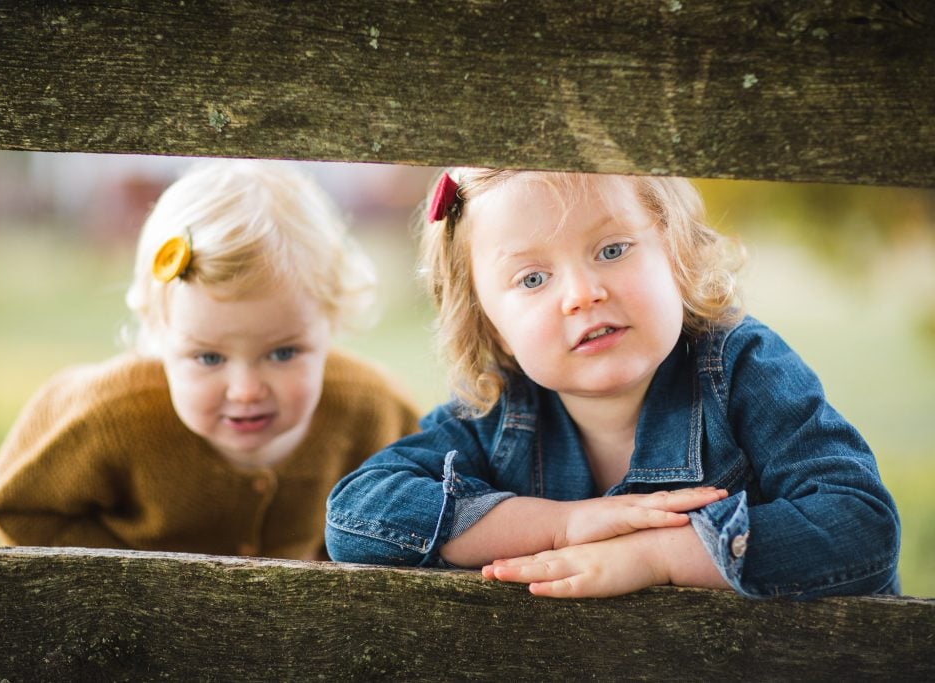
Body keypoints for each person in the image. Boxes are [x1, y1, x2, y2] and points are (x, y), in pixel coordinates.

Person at [325, 168, 900, 599]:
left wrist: (661, 554)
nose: (581, 293)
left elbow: (860, 526)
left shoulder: (739, 367)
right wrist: (560, 526)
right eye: (532, 278)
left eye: (612, 249)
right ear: (491, 327)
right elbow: (355, 518)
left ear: (675, 253)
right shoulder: (500, 409)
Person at [0, 159, 420, 559]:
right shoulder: (110, 413)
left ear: (331, 322)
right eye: (209, 357)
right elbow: (21, 506)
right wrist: (127, 581)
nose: (246, 390)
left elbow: (433, 497)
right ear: (156, 331)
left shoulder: (376, 413)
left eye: (283, 352)